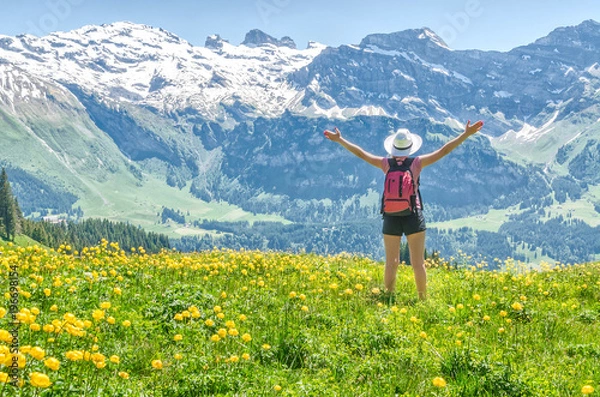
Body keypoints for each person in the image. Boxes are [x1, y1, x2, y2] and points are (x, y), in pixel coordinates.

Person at [324, 120, 484, 300]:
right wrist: (466, 134)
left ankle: (388, 297)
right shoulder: (416, 163)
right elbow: (444, 151)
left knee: (391, 263)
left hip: (390, 216)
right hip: (413, 215)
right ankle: (422, 299)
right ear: (410, 147)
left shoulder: (386, 164)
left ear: (393, 147)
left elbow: (362, 154)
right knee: (418, 263)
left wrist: (341, 140)